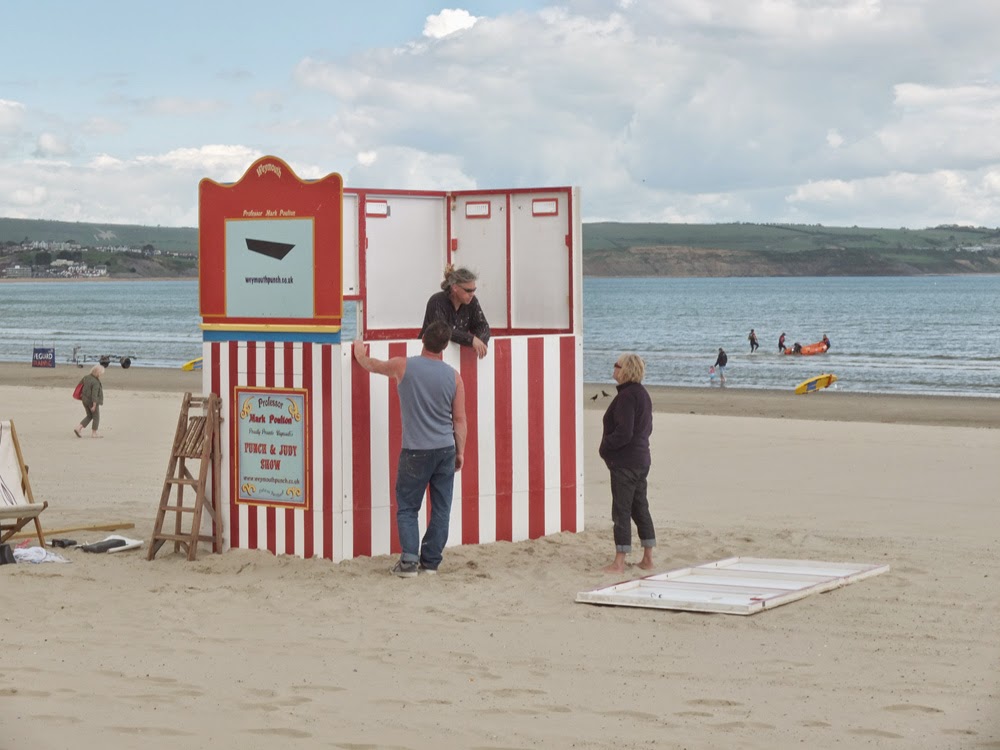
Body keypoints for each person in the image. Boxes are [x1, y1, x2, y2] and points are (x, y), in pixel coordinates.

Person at [353, 321, 467, 577]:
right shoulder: (454, 377)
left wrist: (360, 353)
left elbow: (373, 365)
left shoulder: (402, 365)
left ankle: (408, 562)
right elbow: (459, 420)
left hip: (415, 450)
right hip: (445, 449)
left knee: (407, 507)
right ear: (445, 346)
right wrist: (460, 451)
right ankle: (431, 562)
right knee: (441, 508)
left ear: (423, 339)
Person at [599, 353, 655, 574]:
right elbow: (647, 428)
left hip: (627, 462)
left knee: (622, 509)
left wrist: (605, 447)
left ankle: (619, 562)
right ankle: (647, 558)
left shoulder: (628, 396)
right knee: (640, 506)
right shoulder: (642, 394)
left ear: (625, 370)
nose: (613, 368)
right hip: (641, 459)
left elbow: (624, 432)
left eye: (616, 365)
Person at [420, 265, 491, 359]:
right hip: (429, 355)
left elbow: (482, 325)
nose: (472, 294)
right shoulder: (437, 301)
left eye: (474, 290)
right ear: (455, 288)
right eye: (468, 290)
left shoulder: (472, 302)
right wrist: (471, 339)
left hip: (453, 357)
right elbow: (442, 330)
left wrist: (481, 340)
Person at [74, 364, 105, 438]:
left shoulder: (86, 377)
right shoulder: (96, 382)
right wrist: (94, 405)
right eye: (101, 373)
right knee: (96, 417)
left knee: (89, 416)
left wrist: (82, 394)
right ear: (98, 373)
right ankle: (94, 433)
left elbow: (80, 385)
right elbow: (94, 394)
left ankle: (78, 428)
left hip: (84, 400)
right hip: (91, 401)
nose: (101, 375)